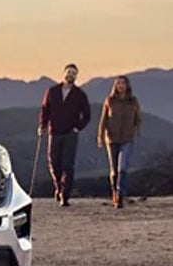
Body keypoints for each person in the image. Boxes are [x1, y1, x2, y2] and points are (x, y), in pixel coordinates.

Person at [37, 64, 91, 206]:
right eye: (69, 72)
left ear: (76, 76)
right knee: (54, 164)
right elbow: (45, 109)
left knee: (68, 164)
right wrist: (42, 125)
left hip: (70, 134)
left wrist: (77, 127)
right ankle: (58, 187)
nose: (70, 75)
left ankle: (65, 195)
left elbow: (87, 115)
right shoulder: (52, 91)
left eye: (73, 73)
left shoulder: (80, 94)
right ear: (64, 74)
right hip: (54, 132)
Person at [97, 75, 143, 208]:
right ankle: (114, 193)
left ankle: (120, 195)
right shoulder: (109, 101)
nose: (121, 86)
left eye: (123, 83)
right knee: (114, 170)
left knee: (123, 167)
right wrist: (100, 136)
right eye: (118, 83)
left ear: (127, 85)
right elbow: (103, 120)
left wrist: (135, 130)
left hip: (127, 139)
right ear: (115, 86)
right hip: (111, 139)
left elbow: (138, 118)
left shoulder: (133, 101)